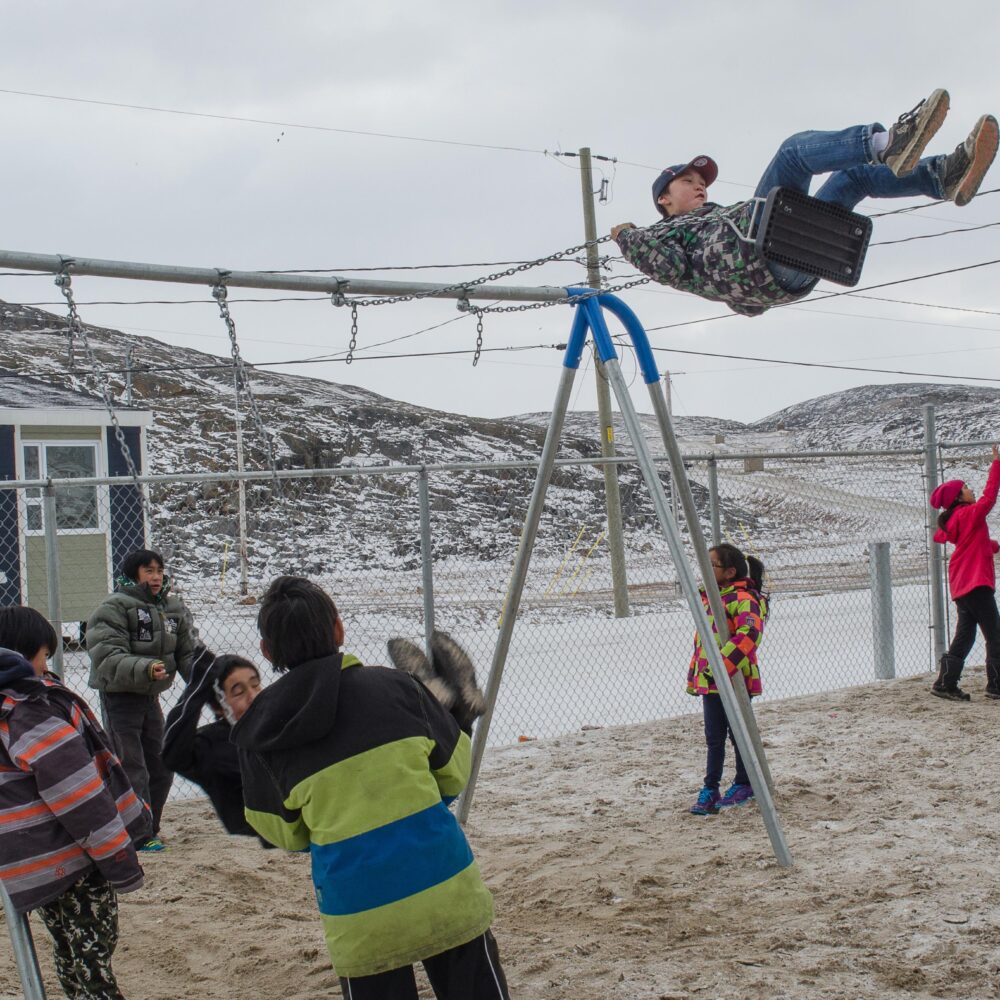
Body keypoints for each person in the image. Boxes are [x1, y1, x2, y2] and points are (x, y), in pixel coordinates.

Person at [232, 576, 509, 1000]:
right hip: (445, 892)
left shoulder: (262, 736)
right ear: (339, 629)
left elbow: (284, 833)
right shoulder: (398, 687)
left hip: (359, 915)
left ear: (267, 652)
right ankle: (456, 717)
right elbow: (454, 775)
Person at [612, 89, 999, 317]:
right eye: (688, 181)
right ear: (663, 199)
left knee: (853, 178)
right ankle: (887, 142)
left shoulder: (714, 226)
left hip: (788, 267)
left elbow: (747, 308)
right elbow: (669, 268)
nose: (700, 187)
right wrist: (627, 236)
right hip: (761, 252)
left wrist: (742, 287)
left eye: (702, 182)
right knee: (793, 153)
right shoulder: (660, 235)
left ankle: (943, 175)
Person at [0, 605, 149, 1000]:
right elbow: (77, 793)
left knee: (70, 952)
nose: (47, 668)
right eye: (44, 658)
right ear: (23, 654)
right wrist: (117, 857)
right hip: (76, 858)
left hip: (35, 863)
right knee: (94, 957)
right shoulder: (32, 710)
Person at [86, 548, 195, 852]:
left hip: (149, 697)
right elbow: (107, 655)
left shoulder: (171, 608)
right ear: (134, 574)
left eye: (159, 570)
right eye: (149, 571)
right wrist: (145, 668)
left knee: (161, 764)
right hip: (119, 698)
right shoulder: (114, 607)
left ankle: (150, 827)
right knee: (131, 766)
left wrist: (209, 677)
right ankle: (135, 834)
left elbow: (188, 653)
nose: (156, 576)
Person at [687, 544, 769, 816]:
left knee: (738, 734)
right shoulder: (711, 597)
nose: (706, 570)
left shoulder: (744, 598)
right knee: (714, 736)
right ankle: (710, 788)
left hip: (734, 680)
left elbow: (750, 633)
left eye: (712, 565)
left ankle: (745, 782)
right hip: (712, 680)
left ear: (730, 571)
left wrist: (722, 666)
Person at [162, 647, 268, 841]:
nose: (253, 696)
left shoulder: (274, 726)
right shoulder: (213, 745)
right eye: (239, 692)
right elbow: (173, 754)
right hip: (262, 829)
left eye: (255, 685)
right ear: (218, 707)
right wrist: (197, 688)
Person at [930, 443, 1000, 701]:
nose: (971, 490)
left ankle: (945, 683)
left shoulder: (959, 518)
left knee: (965, 635)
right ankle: (996, 685)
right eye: (966, 488)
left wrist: (994, 546)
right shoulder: (970, 514)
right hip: (976, 583)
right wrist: (996, 463)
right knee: (994, 634)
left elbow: (974, 543)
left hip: (962, 585)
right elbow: (990, 497)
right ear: (959, 497)